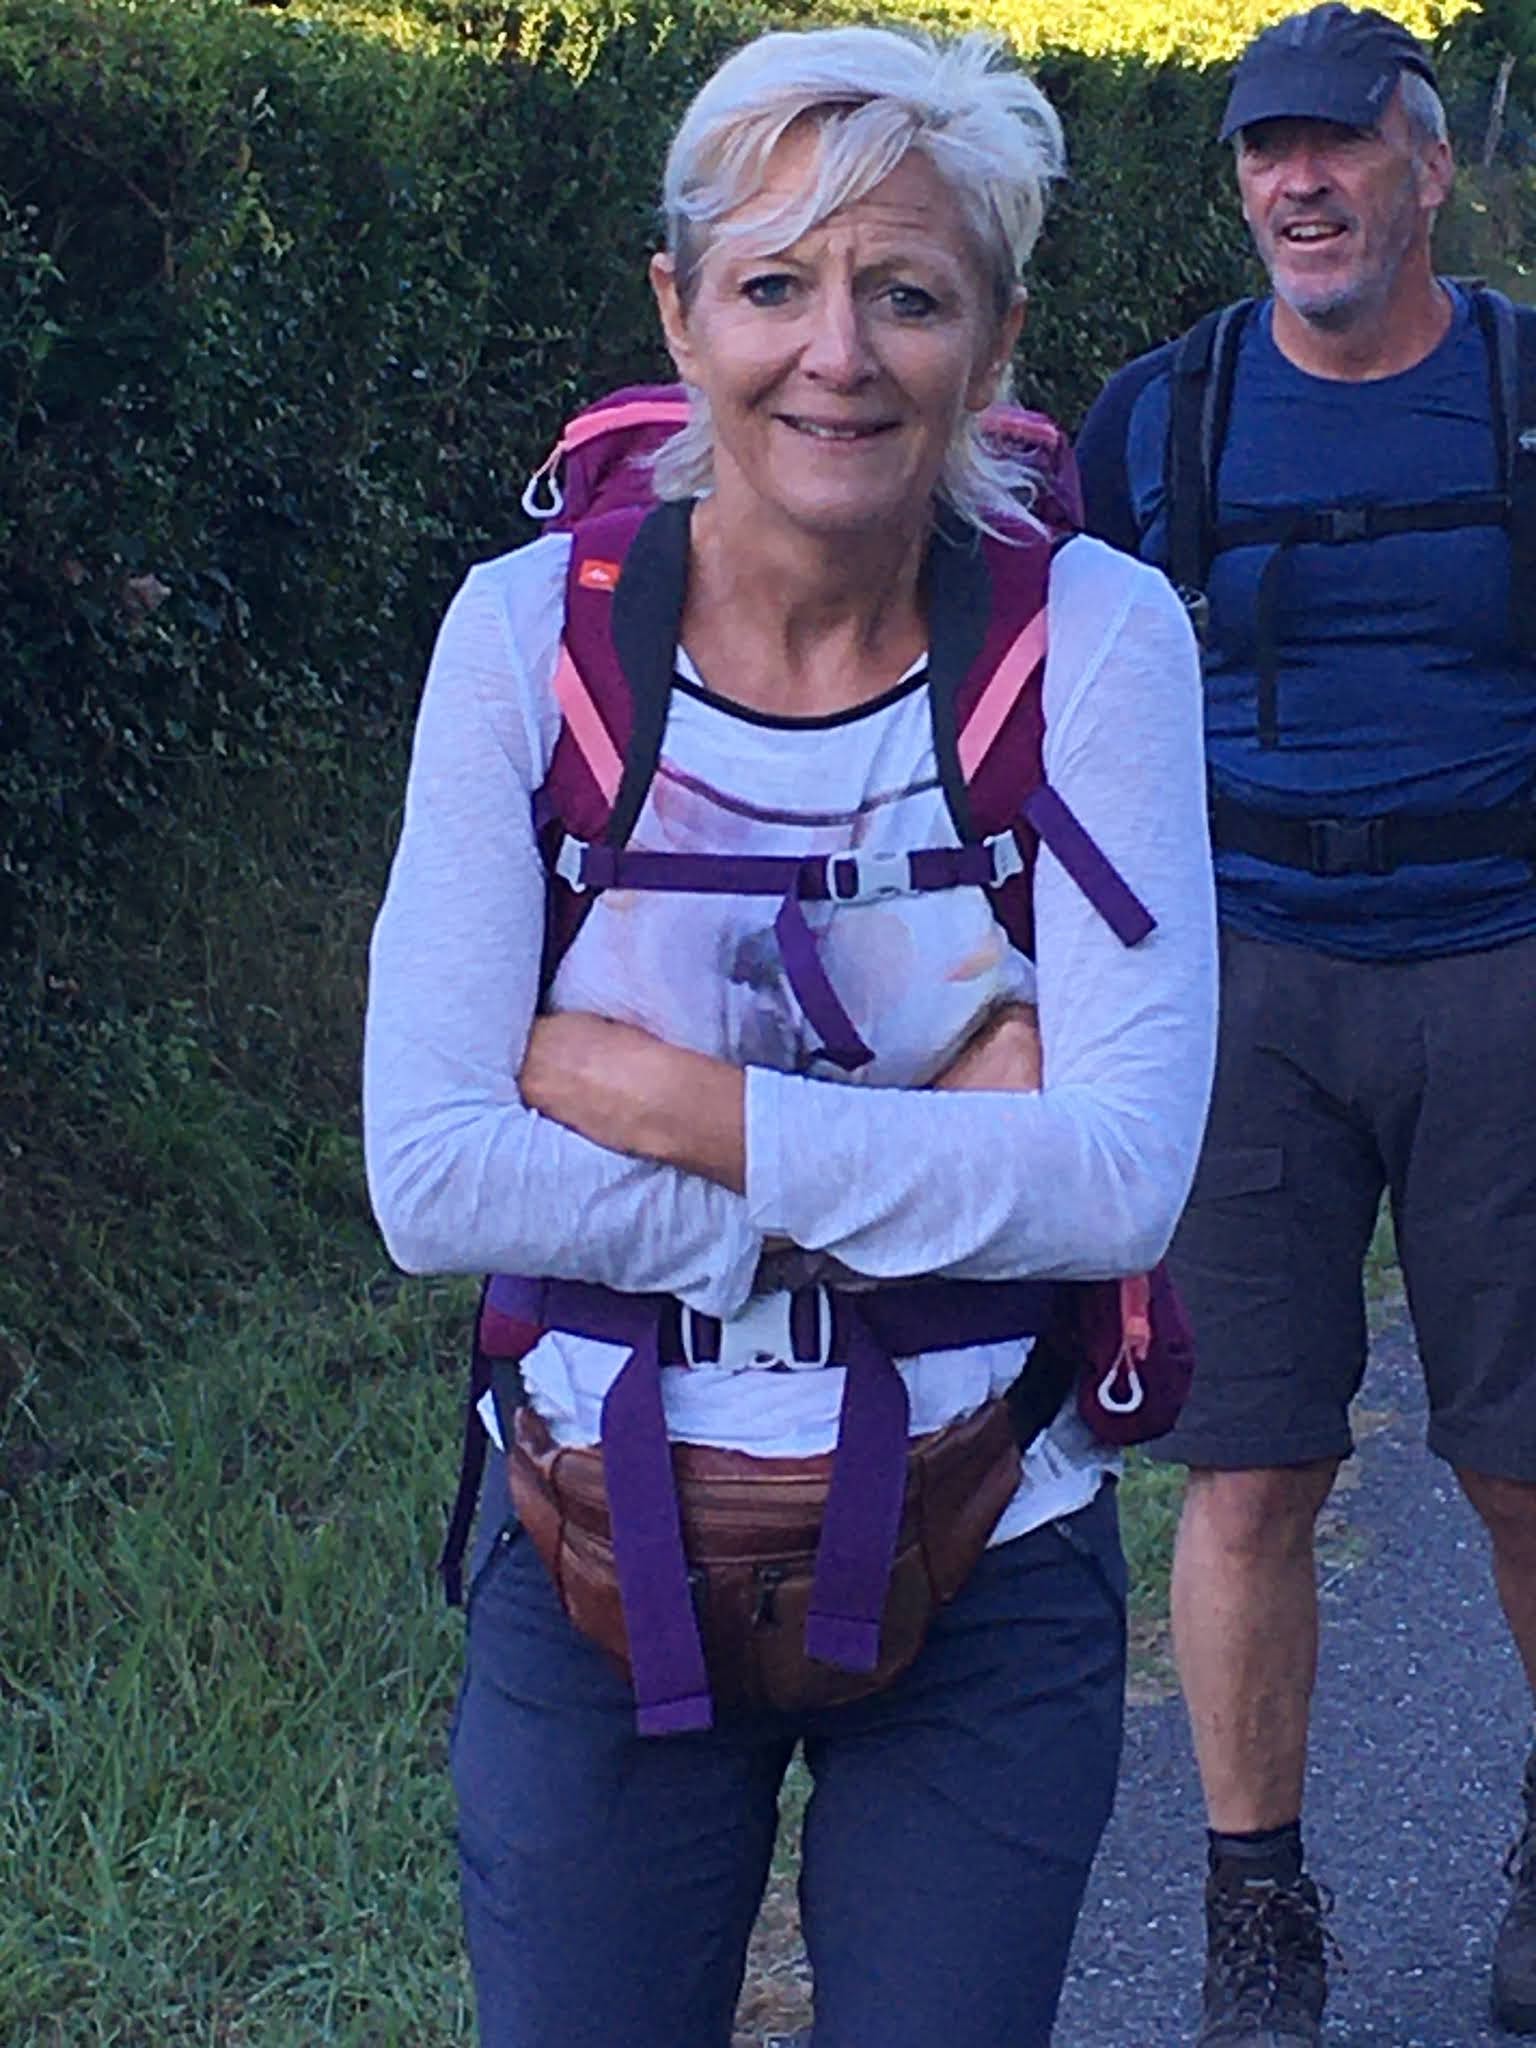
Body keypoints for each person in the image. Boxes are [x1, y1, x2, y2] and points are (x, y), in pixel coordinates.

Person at [365, 25, 1215, 2048]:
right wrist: (954, 1142)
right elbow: (432, 1173)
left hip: (988, 1529)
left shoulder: (1100, 640)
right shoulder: (524, 636)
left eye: (907, 293)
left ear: (994, 339)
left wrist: (662, 1097)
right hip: (591, 1519)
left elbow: (1119, 1180)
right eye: (772, 284)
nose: (836, 353)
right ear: (680, 311)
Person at [1075, 6, 1536, 2042]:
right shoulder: (1162, 417)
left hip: (1506, 968)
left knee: (1523, 1469)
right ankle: (1255, 1911)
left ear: (1429, 168)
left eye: (1338, 144)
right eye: (1267, 151)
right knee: (1247, 1470)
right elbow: (1041, 687)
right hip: (1246, 980)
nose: (1299, 181)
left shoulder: (1524, 395)